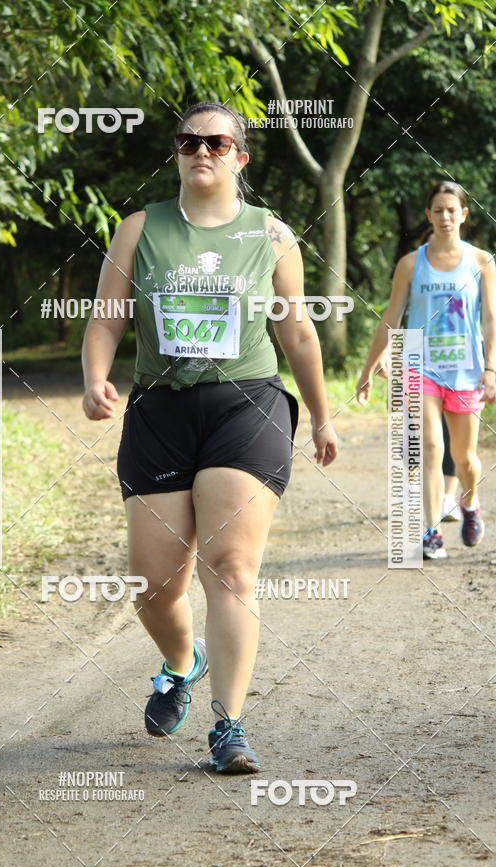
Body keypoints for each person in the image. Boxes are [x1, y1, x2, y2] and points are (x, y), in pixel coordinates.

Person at [82, 101, 337, 773]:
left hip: (245, 405)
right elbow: (107, 320)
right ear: (177, 152)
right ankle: (179, 663)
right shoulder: (140, 228)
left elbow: (299, 332)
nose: (202, 151)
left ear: (239, 157)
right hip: (160, 410)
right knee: (155, 586)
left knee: (232, 568)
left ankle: (230, 727)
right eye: (190, 141)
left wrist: (321, 415)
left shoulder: (272, 235)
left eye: (218, 142)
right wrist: (95, 379)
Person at [356, 181, 495, 559]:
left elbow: (491, 319)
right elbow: (392, 317)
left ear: (464, 214)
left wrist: (491, 370)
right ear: (428, 215)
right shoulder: (409, 264)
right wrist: (370, 366)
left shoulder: (482, 262)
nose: (445, 217)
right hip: (419, 363)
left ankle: (470, 502)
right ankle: (430, 531)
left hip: (466, 368)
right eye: (438, 210)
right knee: (429, 447)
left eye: (452, 210)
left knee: (465, 458)